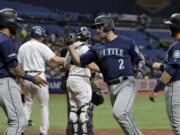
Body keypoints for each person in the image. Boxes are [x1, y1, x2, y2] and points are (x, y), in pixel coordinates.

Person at [65, 15, 145, 135]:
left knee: (119, 113)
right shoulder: (96, 48)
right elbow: (78, 61)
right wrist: (70, 45)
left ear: (107, 25)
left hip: (127, 83)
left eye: (99, 27)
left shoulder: (127, 42)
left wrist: (140, 68)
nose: (97, 30)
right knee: (127, 116)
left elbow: (140, 59)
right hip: (111, 87)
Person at [0, 8, 47, 135]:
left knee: (17, 121)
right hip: (5, 82)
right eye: (15, 21)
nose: (17, 24)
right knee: (19, 122)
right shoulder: (5, 40)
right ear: (9, 22)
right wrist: (33, 78)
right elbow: (13, 69)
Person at [18, 26, 64, 135]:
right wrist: (69, 58)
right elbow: (55, 60)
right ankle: (43, 132)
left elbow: (19, 67)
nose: (43, 38)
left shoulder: (22, 47)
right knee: (43, 106)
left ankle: (19, 131)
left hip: (26, 77)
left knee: (27, 105)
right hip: (39, 77)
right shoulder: (41, 46)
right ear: (40, 36)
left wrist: (21, 82)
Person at [149, 13, 180, 135]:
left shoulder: (177, 46)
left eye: (170, 26)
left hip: (176, 88)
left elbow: (171, 70)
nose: (169, 28)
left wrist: (156, 90)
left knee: (178, 127)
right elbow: (168, 67)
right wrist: (147, 63)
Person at [64, 26, 98, 135]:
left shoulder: (72, 47)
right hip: (82, 79)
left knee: (73, 109)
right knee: (84, 109)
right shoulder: (88, 48)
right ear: (88, 37)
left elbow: (65, 65)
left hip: (70, 79)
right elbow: (91, 64)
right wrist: (103, 70)